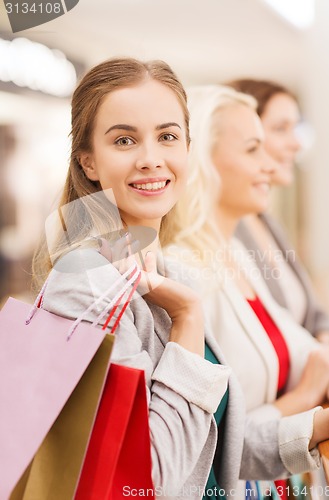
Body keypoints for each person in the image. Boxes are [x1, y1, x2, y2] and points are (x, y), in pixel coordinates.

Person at [31, 58, 243, 500]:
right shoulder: (83, 282)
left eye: (167, 136)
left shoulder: (171, 271)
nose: (151, 159)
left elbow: (209, 441)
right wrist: (187, 317)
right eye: (124, 140)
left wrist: (308, 431)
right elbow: (148, 478)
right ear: (88, 161)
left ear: (187, 147)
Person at [164, 84, 329, 499]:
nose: (271, 165)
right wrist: (306, 396)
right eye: (253, 149)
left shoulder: (235, 252)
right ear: (205, 159)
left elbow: (309, 350)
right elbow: (210, 441)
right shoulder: (180, 271)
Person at [226, 79, 329, 342]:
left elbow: (313, 312)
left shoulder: (265, 219)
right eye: (281, 128)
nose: (296, 143)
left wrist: (325, 344)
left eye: (295, 128)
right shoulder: (222, 230)